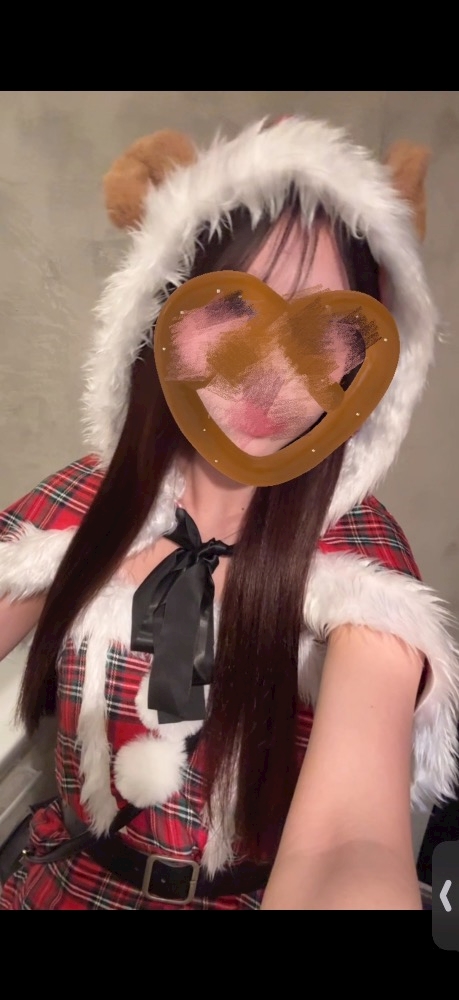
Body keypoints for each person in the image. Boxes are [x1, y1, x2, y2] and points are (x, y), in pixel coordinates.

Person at [0, 116, 457, 910]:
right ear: (161, 312)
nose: (271, 371)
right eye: (233, 305)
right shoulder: (87, 500)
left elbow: (350, 842)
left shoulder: (361, 565)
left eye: (327, 326)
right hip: (63, 882)